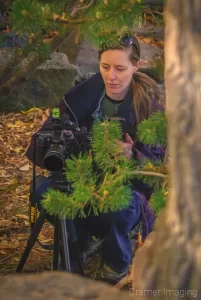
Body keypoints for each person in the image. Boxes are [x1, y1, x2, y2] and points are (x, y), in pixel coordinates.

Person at [26, 33, 165, 284]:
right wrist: (60, 143)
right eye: (105, 67)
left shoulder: (148, 106)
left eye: (120, 69)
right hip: (78, 183)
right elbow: (41, 143)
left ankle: (115, 262)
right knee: (43, 190)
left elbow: (157, 172)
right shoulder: (79, 97)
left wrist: (132, 155)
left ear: (136, 66)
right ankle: (74, 247)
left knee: (124, 205)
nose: (111, 76)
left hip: (124, 189)